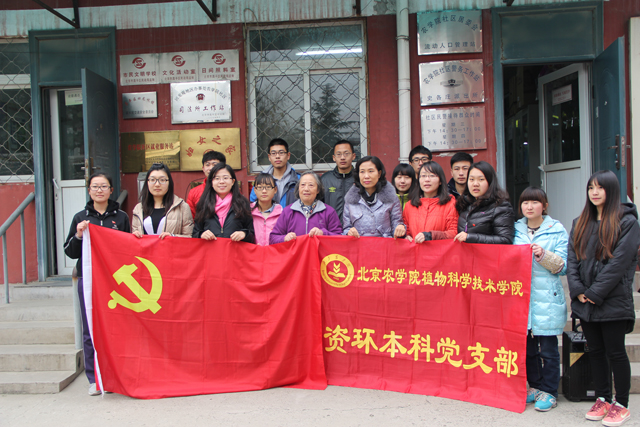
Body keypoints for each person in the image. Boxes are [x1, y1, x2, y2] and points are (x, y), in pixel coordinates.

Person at [567, 170, 640, 426]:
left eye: (600, 188)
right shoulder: (580, 222)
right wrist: (577, 290)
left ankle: (621, 404)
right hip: (585, 301)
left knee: (616, 352)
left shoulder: (627, 222)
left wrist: (594, 293)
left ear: (612, 190)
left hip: (613, 299)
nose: (594, 192)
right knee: (596, 351)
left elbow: (620, 263)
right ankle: (603, 399)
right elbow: (572, 259)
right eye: (591, 188)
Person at [63, 173, 131, 396]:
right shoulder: (80, 217)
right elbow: (70, 252)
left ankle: (116, 375)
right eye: (95, 186)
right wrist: (79, 235)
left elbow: (129, 249)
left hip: (115, 281)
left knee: (117, 327)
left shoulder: (121, 217)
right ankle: (94, 378)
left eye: (104, 186)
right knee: (90, 328)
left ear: (111, 190)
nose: (99, 190)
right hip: (89, 280)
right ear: (89, 190)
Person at [514, 187, 568, 412]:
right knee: (528, 349)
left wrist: (543, 255)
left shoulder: (557, 230)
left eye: (535, 202)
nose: (529, 207)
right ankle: (535, 386)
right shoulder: (515, 229)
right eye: (525, 202)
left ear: (544, 206)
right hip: (522, 298)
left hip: (548, 298)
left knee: (548, 350)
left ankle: (550, 391)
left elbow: (563, 266)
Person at [342, 156, 405, 238]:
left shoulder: (391, 198)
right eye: (362, 172)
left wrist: (400, 228)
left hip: (384, 244)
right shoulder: (350, 200)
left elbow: (397, 224)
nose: (366, 176)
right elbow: (346, 228)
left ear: (379, 173)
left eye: (371, 171)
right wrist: (349, 232)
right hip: (359, 245)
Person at [270, 172, 342, 243]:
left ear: (318, 190)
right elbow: (273, 238)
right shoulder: (288, 211)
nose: (306, 189)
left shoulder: (329, 212)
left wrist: (323, 233)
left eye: (311, 185)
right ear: (298, 188)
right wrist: (284, 238)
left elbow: (339, 238)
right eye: (303, 185)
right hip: (295, 251)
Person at [454, 161, 514, 244]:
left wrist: (470, 237)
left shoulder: (501, 206)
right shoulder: (465, 204)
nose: (475, 184)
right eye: (471, 179)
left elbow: (505, 239)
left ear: (490, 182)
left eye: (481, 179)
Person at [193, 163, 255, 243]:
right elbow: (195, 233)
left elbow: (252, 234)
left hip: (235, 250)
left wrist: (244, 234)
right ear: (211, 182)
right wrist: (201, 234)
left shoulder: (242, 203)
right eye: (217, 178)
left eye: (225, 178)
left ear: (233, 181)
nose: (221, 182)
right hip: (210, 250)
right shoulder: (203, 203)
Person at [132, 163, 193, 239]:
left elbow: (189, 237)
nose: (157, 184)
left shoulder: (182, 207)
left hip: (171, 247)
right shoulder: (138, 209)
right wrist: (135, 236)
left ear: (169, 182)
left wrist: (172, 237)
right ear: (147, 182)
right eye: (152, 180)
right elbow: (134, 238)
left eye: (162, 180)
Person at [403, 161, 458, 243]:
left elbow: (454, 233)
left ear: (440, 181)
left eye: (432, 176)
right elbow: (406, 230)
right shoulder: (410, 205)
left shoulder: (450, 203)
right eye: (423, 176)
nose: (427, 180)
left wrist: (431, 235)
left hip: (439, 250)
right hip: (415, 250)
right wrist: (406, 236)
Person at [250, 138, 300, 208]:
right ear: (269, 157)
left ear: (288, 155)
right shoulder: (261, 179)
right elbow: (253, 202)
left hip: (291, 215)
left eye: (281, 153)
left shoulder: (298, 179)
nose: (277, 156)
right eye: (273, 153)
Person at [321, 140, 356, 223]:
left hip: (355, 228)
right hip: (331, 227)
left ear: (353, 156)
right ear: (334, 157)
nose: (342, 157)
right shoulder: (325, 179)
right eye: (339, 154)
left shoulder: (359, 178)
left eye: (346, 153)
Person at [187, 150, 226, 218]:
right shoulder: (194, 192)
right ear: (203, 168)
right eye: (207, 165)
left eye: (215, 165)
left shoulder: (231, 189)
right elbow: (190, 218)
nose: (210, 168)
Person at [251, 173, 283, 246]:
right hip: (254, 252)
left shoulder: (282, 213)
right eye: (260, 187)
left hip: (274, 252)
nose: (264, 191)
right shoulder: (248, 212)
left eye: (268, 187)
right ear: (255, 190)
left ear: (275, 190)